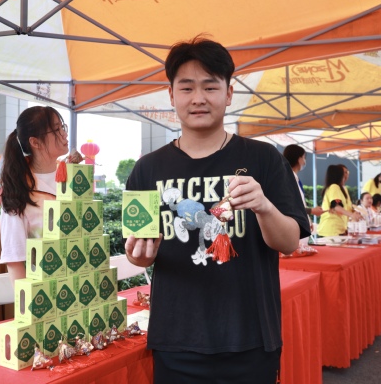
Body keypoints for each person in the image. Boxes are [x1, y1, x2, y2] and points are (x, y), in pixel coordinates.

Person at [124, 36, 310, 384]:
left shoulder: (264, 158)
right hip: (176, 340)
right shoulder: (147, 169)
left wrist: (264, 206)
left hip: (250, 338)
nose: (198, 98)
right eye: (186, 88)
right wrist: (138, 256)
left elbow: (289, 243)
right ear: (171, 95)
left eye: (210, 87)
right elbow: (137, 250)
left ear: (228, 93)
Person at [0, 106, 69, 284]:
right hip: (44, 290)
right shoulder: (17, 191)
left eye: (62, 127)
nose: (64, 134)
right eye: (57, 129)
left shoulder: (73, 176)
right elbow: (14, 259)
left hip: (79, 284)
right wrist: (28, 300)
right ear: (35, 142)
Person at [317, 165, 362, 237]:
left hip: (338, 228)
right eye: (343, 173)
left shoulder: (340, 188)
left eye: (347, 172)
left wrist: (354, 212)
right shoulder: (334, 187)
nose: (345, 175)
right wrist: (352, 215)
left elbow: (344, 207)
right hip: (333, 229)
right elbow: (336, 206)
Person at [283, 144, 323, 217]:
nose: (304, 162)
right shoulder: (288, 180)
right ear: (299, 159)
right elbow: (290, 207)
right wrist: (311, 210)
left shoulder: (293, 179)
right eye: (304, 157)